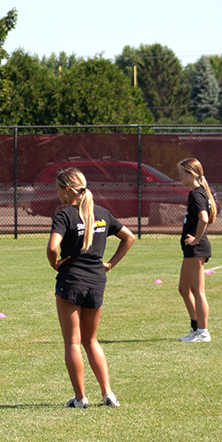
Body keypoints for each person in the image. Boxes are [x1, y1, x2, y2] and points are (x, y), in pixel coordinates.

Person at [47, 167, 135, 408]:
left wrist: (55, 264)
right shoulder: (103, 213)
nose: (58, 194)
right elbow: (129, 237)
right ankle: (108, 394)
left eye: (58, 189)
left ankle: (79, 399)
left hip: (71, 280)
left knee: (73, 342)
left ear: (67, 190)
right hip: (97, 280)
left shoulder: (64, 215)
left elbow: (53, 247)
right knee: (92, 340)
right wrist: (110, 264)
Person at [177, 158, 216, 342]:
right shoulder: (195, 193)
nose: (180, 177)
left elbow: (204, 219)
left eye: (182, 174)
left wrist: (195, 240)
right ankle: (195, 328)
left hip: (196, 249)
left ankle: (203, 332)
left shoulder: (197, 194)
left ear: (191, 174)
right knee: (184, 289)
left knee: (198, 291)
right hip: (191, 250)